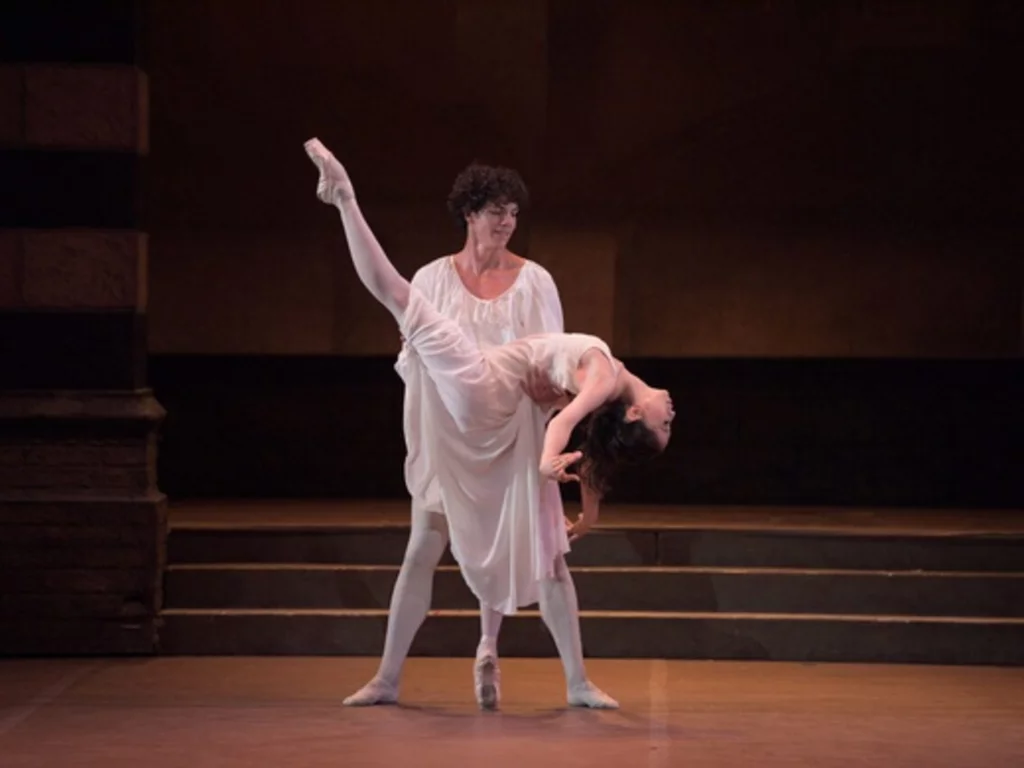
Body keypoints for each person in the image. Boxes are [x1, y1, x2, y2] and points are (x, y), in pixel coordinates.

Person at [306, 138, 671, 708]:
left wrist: (549, 453)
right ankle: (389, 676)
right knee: (424, 544)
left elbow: (555, 380)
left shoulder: (538, 286)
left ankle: (557, 673)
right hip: (457, 414)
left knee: (548, 556)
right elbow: (558, 385)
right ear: (470, 213)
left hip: (509, 420)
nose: (507, 222)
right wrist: (579, 495)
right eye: (497, 211)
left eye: (514, 212)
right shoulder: (436, 278)